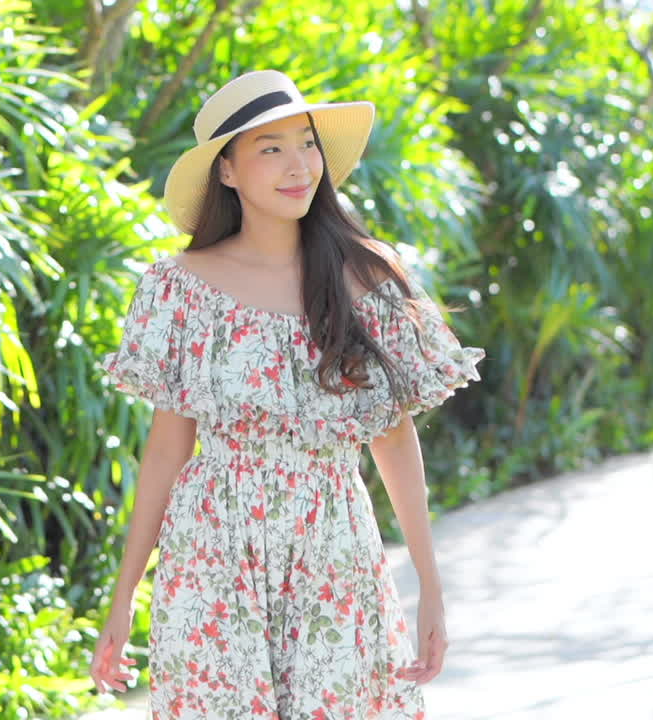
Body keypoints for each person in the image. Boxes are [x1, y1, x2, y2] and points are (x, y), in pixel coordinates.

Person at [90, 69, 486, 719]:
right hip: (213, 549)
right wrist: (124, 594)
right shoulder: (180, 287)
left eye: (306, 142)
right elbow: (166, 449)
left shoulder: (367, 274)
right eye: (270, 148)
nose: (298, 164)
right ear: (226, 172)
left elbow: (392, 436)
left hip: (332, 544)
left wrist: (430, 590)